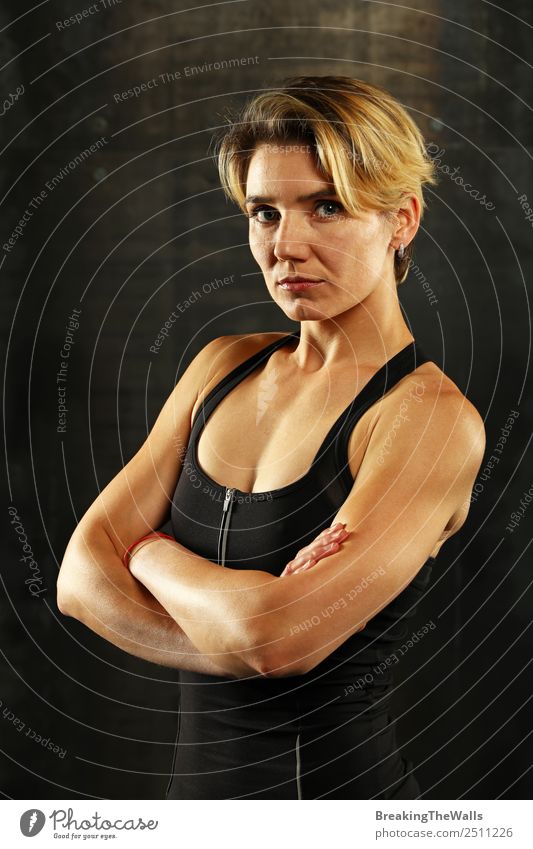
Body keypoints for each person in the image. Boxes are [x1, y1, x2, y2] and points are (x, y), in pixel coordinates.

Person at [57, 75, 486, 799]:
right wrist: (239, 627)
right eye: (264, 212)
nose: (286, 244)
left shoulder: (425, 420)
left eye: (326, 207)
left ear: (400, 219)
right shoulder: (221, 366)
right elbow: (77, 580)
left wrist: (149, 553)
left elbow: (282, 637)